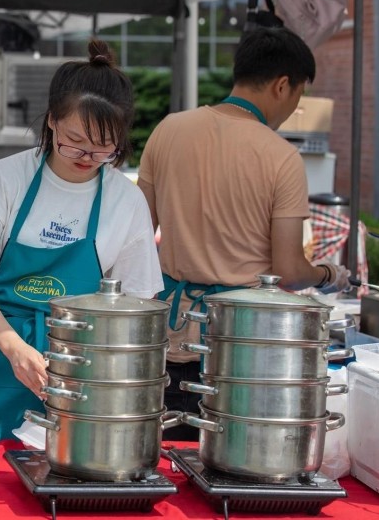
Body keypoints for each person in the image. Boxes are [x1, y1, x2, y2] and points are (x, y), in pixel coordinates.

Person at [0, 40, 164, 441]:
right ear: (53, 120)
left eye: (103, 148)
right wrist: (13, 347)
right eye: (75, 140)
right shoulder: (4, 180)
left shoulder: (125, 200)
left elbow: (134, 306)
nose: (86, 156)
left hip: (81, 371)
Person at [137, 27, 352, 441]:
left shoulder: (169, 129)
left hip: (170, 332)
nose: (293, 107)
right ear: (282, 85)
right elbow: (288, 272)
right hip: (240, 344)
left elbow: (138, 238)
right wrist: (327, 274)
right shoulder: (282, 158)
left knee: (163, 463)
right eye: (297, 96)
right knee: (230, 466)